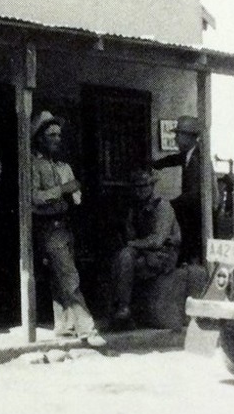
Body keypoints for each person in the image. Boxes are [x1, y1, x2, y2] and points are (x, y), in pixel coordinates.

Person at [31, 111, 105, 347]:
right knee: (68, 275)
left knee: (59, 277)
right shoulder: (33, 165)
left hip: (64, 225)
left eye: (59, 135)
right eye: (51, 135)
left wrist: (72, 192)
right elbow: (34, 198)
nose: (57, 139)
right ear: (40, 138)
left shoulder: (63, 166)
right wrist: (62, 190)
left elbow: (77, 199)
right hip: (47, 226)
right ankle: (87, 328)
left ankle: (65, 327)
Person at [110, 169, 180, 330]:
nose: (140, 191)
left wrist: (133, 244)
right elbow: (131, 237)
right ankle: (122, 309)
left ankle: (125, 309)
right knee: (122, 257)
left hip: (163, 254)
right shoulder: (136, 207)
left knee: (129, 260)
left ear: (151, 187)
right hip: (146, 251)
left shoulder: (162, 205)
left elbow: (158, 240)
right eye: (136, 187)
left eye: (144, 186)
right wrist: (129, 222)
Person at [152, 115, 216, 266]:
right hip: (194, 212)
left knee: (194, 253)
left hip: (197, 215)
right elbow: (175, 159)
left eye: (178, 135)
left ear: (189, 137)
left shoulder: (196, 159)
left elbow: (193, 195)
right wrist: (156, 164)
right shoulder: (190, 154)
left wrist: (168, 204)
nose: (175, 139)